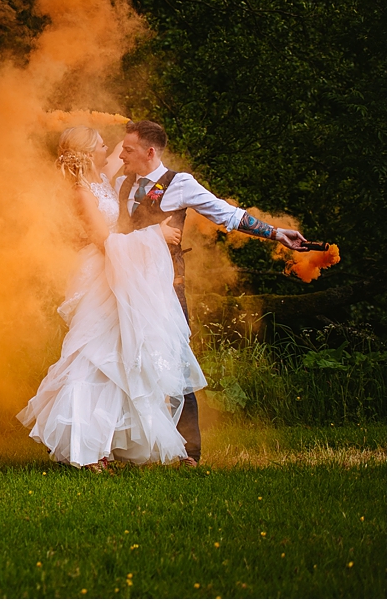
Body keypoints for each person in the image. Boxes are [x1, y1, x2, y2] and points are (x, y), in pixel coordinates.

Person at [114, 119, 306, 466]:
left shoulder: (180, 184)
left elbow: (227, 215)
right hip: (124, 284)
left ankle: (189, 453)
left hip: (165, 287)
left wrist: (277, 234)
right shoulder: (120, 182)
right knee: (126, 359)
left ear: (150, 152)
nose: (120, 154)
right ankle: (133, 446)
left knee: (175, 363)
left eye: (127, 149)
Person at [17, 126, 207, 471]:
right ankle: (86, 451)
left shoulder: (102, 178)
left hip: (118, 275)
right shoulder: (81, 192)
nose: (114, 152)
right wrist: (157, 233)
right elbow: (106, 241)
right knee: (92, 356)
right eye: (104, 145)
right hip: (98, 274)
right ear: (90, 153)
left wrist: (142, 135)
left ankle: (106, 444)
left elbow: (132, 145)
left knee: (119, 359)